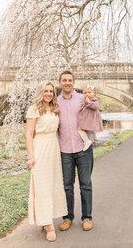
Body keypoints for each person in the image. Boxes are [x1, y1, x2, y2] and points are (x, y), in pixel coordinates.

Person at [25, 82, 67, 242]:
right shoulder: (34, 109)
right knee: (42, 186)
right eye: (46, 91)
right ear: (40, 92)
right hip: (40, 148)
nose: (49, 93)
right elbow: (29, 134)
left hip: (53, 149)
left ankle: (44, 218)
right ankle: (48, 224)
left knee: (52, 186)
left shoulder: (55, 109)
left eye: (51, 91)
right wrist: (30, 156)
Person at [57, 71, 94, 232]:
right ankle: (67, 217)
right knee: (67, 186)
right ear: (60, 83)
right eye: (64, 80)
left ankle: (87, 217)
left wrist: (92, 135)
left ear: (73, 82)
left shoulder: (82, 98)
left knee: (85, 185)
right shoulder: (55, 102)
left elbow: (95, 111)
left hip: (83, 148)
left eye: (70, 80)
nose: (67, 83)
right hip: (64, 149)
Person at [77, 84, 103, 151]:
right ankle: (93, 138)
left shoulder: (94, 99)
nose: (87, 94)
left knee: (80, 128)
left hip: (90, 119)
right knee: (85, 128)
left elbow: (95, 107)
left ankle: (87, 141)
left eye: (89, 92)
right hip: (87, 118)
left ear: (94, 93)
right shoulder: (86, 99)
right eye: (85, 93)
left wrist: (89, 102)